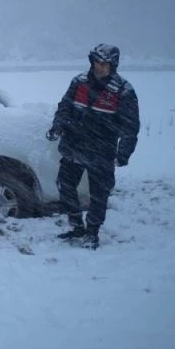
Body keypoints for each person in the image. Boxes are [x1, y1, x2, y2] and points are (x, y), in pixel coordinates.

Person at [47, 44, 140, 249]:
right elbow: (64, 107)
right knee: (64, 185)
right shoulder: (79, 82)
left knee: (99, 194)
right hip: (74, 146)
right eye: (97, 62)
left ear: (113, 65)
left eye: (105, 64)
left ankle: (92, 232)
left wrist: (124, 153)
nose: (100, 67)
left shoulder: (124, 90)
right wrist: (57, 127)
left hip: (102, 151)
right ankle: (76, 225)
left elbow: (131, 126)